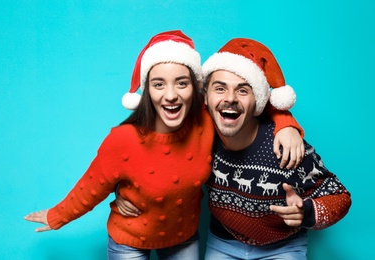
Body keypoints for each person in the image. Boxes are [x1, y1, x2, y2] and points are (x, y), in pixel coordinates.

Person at [24, 30, 304, 260]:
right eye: (159, 85)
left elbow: (245, 101)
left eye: (181, 83)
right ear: (147, 91)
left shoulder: (206, 122)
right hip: (129, 239)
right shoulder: (123, 140)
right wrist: (56, 216)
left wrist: (286, 122)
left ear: (196, 89)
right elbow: (91, 187)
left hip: (182, 238)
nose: (171, 95)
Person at [116, 37, 352, 259]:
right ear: (205, 98)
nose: (230, 98)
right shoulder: (197, 134)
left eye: (243, 90)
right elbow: (144, 154)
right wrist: (122, 191)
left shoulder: (286, 147)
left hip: (282, 247)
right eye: (219, 88)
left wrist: (307, 213)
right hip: (224, 243)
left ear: (258, 101)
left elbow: (340, 196)